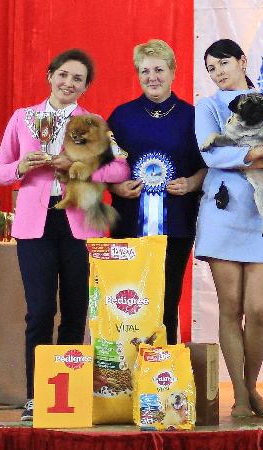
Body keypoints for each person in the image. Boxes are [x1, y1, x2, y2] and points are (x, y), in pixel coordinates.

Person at [0, 49, 130, 421]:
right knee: (39, 311)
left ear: (85, 87)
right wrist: (20, 166)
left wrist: (81, 165)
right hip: (34, 225)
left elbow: (120, 169)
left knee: (74, 310)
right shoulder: (23, 118)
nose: (69, 83)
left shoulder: (93, 123)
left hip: (78, 225)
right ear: (49, 76)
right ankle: (36, 396)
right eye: (63, 75)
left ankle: (70, 395)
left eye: (78, 79)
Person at [195, 38, 263, 418]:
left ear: (242, 61)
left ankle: (253, 385)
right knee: (231, 307)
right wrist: (256, 153)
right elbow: (210, 153)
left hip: (262, 215)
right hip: (222, 213)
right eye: (211, 68)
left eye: (223, 63)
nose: (218, 73)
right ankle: (240, 395)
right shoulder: (208, 106)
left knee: (257, 309)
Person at [107, 39, 206, 345]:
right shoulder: (121, 116)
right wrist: (115, 186)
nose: (152, 77)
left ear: (173, 72)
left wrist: (191, 183)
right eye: (145, 71)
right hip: (127, 222)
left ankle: (164, 368)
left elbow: (208, 167)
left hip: (176, 224)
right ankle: (124, 368)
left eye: (159, 70)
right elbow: (102, 166)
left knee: (167, 301)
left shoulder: (193, 117)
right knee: (126, 302)